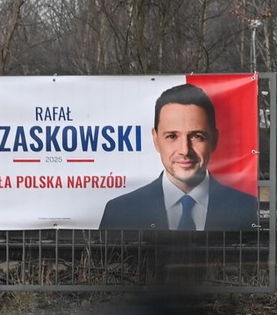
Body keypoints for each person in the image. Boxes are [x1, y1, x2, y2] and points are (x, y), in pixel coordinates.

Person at [99, 83, 259, 231]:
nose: (184, 150)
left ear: (215, 139)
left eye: (197, 136)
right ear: (156, 139)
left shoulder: (246, 207)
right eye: (172, 136)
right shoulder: (119, 211)